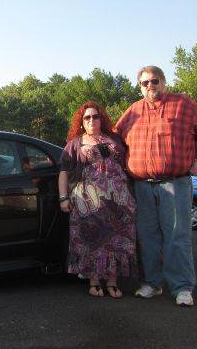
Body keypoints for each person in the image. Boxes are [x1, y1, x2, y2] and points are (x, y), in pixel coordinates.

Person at [115, 66, 197, 307]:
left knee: (176, 236)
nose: (150, 86)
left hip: (175, 183)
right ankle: (152, 283)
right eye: (145, 82)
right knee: (147, 237)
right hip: (142, 185)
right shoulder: (133, 111)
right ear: (139, 86)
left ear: (163, 81)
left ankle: (182, 287)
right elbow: (115, 140)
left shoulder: (184, 105)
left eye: (155, 81)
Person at [59, 101, 139, 298]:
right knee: (92, 239)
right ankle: (94, 281)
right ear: (81, 122)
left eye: (95, 116)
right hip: (88, 202)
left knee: (118, 240)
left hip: (119, 201)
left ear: (101, 119)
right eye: (87, 117)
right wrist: (63, 198)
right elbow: (63, 172)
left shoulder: (115, 139)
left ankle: (112, 282)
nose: (92, 120)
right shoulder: (75, 144)